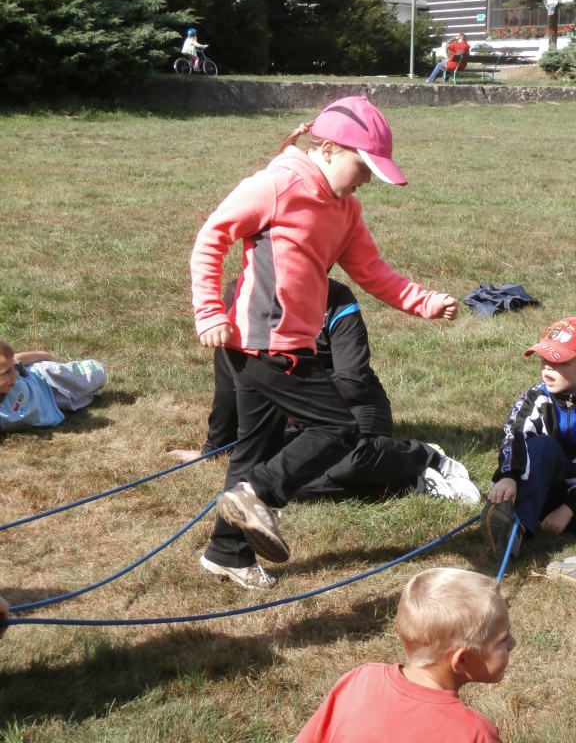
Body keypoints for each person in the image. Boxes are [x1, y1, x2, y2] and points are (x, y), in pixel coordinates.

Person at [191, 95, 461, 590]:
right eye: (363, 167)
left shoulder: (346, 210)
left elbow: (371, 270)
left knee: (253, 451)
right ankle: (260, 495)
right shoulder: (277, 185)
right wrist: (209, 310)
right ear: (331, 149)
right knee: (338, 428)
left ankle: (226, 552)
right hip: (264, 343)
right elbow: (212, 237)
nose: (366, 181)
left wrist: (424, 302)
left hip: (287, 344)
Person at [173, 278, 480, 505]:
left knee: (350, 463)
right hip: (292, 410)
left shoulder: (338, 299)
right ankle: (411, 483)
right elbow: (229, 382)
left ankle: (425, 457)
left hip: (353, 405)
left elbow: (353, 381)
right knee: (271, 477)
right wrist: (215, 448)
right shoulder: (240, 295)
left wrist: (293, 410)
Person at [294, 567, 515, 743]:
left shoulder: (359, 680)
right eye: (504, 638)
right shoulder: (475, 733)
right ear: (461, 660)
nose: (512, 643)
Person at [481, 317, 576, 563]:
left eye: (559, 361)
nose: (547, 367)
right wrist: (509, 475)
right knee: (543, 446)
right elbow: (515, 434)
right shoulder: (536, 397)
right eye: (544, 359)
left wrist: (569, 508)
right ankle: (515, 530)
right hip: (542, 485)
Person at [0, 339, 106, 431]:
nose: (14, 375)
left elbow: (18, 359)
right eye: (6, 372)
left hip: (48, 380)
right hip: (53, 408)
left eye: (13, 368)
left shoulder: (7, 366)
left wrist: (45, 355)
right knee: (85, 398)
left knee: (98, 374)